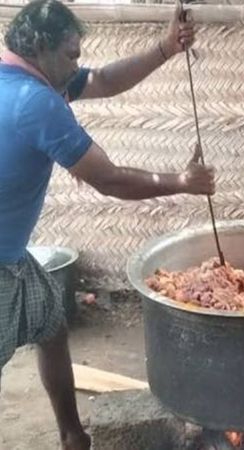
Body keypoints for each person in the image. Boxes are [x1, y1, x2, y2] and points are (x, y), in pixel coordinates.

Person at [0, 1, 215, 449]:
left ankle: (73, 436)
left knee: (51, 325)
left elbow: (102, 81)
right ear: (42, 46)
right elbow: (109, 179)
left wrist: (166, 48)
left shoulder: (23, 76)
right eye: (72, 54)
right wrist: (182, 182)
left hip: (12, 257)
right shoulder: (35, 102)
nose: (77, 65)